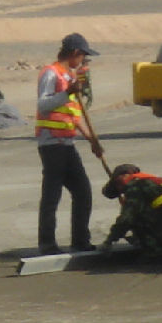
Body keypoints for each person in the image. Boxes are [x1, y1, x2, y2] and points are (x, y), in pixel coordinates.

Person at [34, 33, 105, 254]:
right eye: (83, 56)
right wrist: (67, 93)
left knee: (83, 191)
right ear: (74, 53)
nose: (83, 61)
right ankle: (47, 243)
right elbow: (43, 105)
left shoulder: (69, 77)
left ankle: (80, 240)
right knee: (52, 194)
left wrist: (92, 140)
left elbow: (75, 115)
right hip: (51, 144)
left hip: (66, 143)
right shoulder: (51, 73)